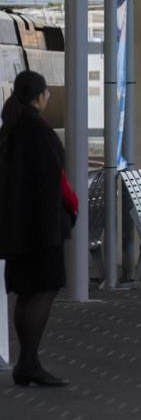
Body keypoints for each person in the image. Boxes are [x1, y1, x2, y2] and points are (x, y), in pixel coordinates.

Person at [0, 71, 77, 387]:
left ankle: (27, 361)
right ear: (38, 96)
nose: (49, 98)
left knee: (27, 290)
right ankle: (28, 361)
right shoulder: (36, 131)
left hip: (18, 228)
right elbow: (49, 181)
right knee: (44, 287)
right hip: (40, 228)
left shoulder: (13, 127)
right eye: (47, 93)